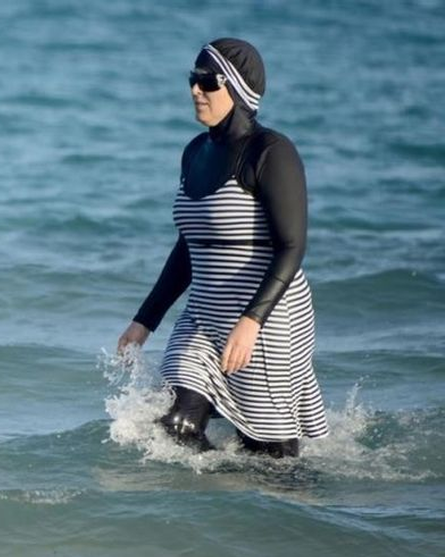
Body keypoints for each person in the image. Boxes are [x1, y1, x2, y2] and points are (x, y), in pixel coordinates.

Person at [117, 38, 328, 458]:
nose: (196, 90)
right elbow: (188, 248)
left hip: (268, 317)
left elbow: (292, 246)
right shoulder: (195, 151)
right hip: (203, 314)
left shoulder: (272, 152)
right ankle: (207, 506)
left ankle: (295, 511)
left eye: (207, 81)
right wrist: (145, 321)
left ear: (236, 87)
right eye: (192, 80)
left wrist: (252, 321)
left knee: (271, 459)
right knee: (174, 424)